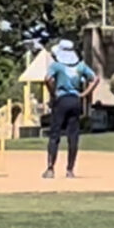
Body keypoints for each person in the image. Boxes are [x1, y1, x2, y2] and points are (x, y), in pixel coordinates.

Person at [42, 39, 96, 180]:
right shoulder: (80, 66)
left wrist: (53, 93)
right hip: (75, 100)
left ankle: (50, 168)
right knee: (73, 136)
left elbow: (47, 79)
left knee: (55, 134)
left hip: (61, 100)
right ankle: (70, 170)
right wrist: (84, 94)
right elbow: (94, 78)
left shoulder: (57, 66)